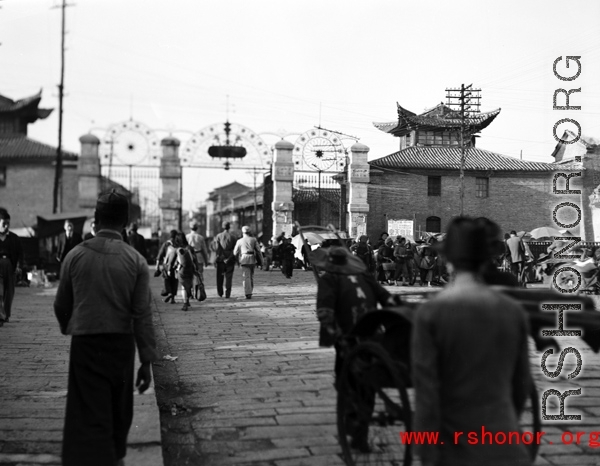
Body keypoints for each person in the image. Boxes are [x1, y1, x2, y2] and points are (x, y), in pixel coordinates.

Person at [412, 217, 532, 466]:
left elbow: (427, 394)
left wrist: (426, 450)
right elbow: (520, 387)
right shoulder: (512, 310)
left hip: (455, 449)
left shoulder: (432, 312)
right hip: (506, 445)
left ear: (449, 261)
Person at [53, 189, 159, 466]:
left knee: (85, 409)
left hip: (86, 344)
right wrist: (146, 361)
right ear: (125, 222)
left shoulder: (75, 255)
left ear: (95, 220)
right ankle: (114, 458)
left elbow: (61, 305)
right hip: (120, 346)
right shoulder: (135, 261)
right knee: (117, 407)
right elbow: (142, 315)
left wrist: (74, 325)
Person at [313, 246, 398, 450]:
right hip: (372, 336)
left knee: (348, 383)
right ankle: (359, 430)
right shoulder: (364, 275)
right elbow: (386, 298)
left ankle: (356, 429)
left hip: (348, 338)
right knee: (367, 384)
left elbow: (324, 311)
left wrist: (335, 335)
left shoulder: (329, 278)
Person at [0, 208, 23, 327]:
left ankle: (6, 314)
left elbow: (19, 254)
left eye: (8, 223)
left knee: (9, 292)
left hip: (10, 265)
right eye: (4, 223)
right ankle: (0, 316)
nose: (6, 226)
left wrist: (18, 266)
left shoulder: (14, 238)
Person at [233, 225, 263, 299]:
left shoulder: (239, 241)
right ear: (249, 232)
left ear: (242, 232)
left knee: (246, 276)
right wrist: (261, 261)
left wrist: (237, 259)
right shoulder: (253, 239)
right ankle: (250, 291)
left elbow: (235, 252)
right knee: (251, 276)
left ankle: (248, 293)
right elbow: (258, 251)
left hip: (244, 259)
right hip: (252, 259)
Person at [175, 232, 198, 311]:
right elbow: (194, 259)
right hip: (190, 268)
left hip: (182, 269)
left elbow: (176, 261)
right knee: (189, 284)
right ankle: (187, 300)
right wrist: (196, 268)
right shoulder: (190, 247)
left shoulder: (178, 249)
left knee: (183, 286)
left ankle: (185, 303)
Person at [213, 221, 237, 298]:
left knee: (220, 276)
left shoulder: (218, 236)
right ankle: (228, 293)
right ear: (229, 227)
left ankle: (220, 292)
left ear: (223, 227)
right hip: (230, 259)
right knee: (229, 277)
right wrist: (230, 257)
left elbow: (217, 249)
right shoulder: (233, 237)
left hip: (220, 259)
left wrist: (219, 257)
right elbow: (235, 250)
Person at [156, 230, 179, 303]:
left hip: (166, 265)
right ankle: (173, 298)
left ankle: (169, 293)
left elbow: (159, 256)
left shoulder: (165, 244)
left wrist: (157, 267)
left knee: (167, 280)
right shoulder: (177, 244)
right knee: (174, 281)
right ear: (176, 236)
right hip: (175, 265)